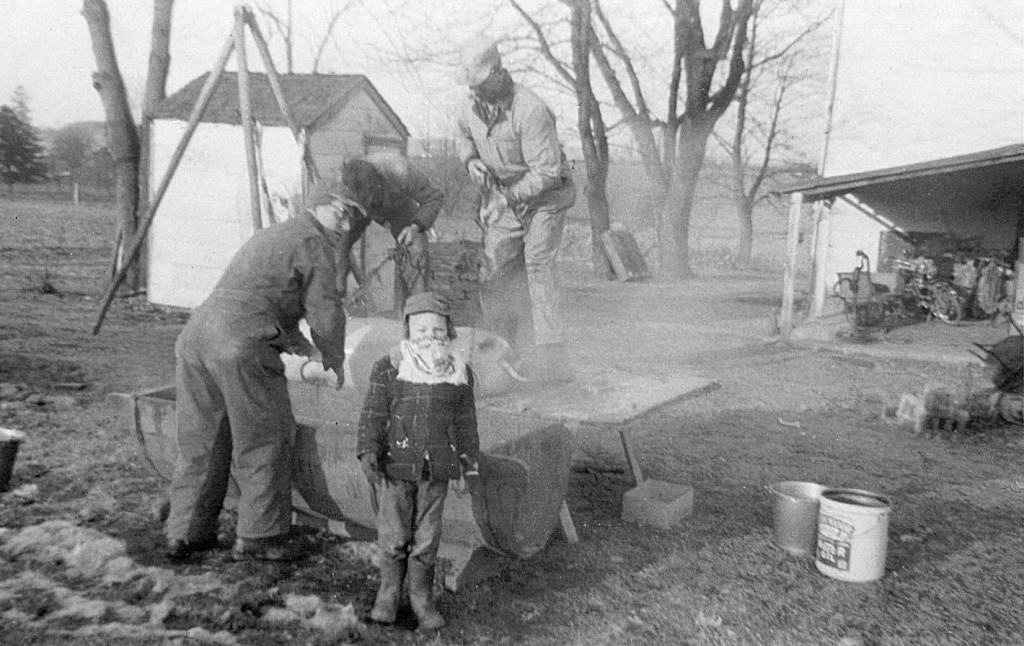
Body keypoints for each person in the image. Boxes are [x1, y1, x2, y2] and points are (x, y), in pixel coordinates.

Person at [164, 177, 358, 563]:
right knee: (266, 436)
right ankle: (260, 537)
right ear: (326, 205)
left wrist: (303, 351)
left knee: (202, 443)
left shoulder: (272, 236)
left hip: (195, 338)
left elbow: (262, 304)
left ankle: (186, 532)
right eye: (344, 213)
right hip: (240, 347)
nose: (347, 225)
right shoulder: (315, 243)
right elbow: (325, 311)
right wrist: (333, 359)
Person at [453, 37, 577, 382]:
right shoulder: (467, 105)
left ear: (496, 73)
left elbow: (548, 173)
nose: (474, 92)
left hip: (545, 198)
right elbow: (462, 136)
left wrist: (506, 198)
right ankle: (501, 350)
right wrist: (471, 160)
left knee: (538, 264)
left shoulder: (531, 110)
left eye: (478, 84)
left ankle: (553, 358)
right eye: (470, 86)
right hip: (504, 198)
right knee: (494, 267)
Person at [356, 291, 480, 630]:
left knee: (426, 538)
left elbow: (466, 423)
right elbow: (372, 413)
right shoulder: (390, 367)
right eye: (421, 331)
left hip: (436, 470)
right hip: (396, 466)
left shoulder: (459, 373)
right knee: (394, 535)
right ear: (408, 331)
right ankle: (389, 592)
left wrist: (469, 464)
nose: (429, 338)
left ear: (449, 332)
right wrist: (368, 449)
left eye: (437, 331)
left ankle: (421, 597)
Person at [337, 152, 444, 314]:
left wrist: (415, 226)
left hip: (400, 209)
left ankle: (417, 313)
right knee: (338, 248)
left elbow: (434, 197)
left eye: (370, 199)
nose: (369, 205)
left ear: (378, 182)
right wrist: (339, 280)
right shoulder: (345, 188)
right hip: (359, 212)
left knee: (415, 248)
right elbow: (343, 240)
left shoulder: (398, 170)